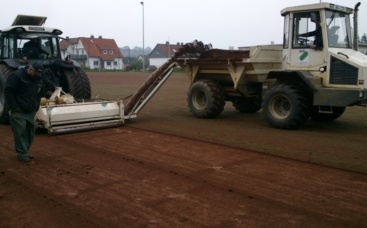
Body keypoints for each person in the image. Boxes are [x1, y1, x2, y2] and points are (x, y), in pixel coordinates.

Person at [4, 62, 44, 163]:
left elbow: (39, 94)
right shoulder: (16, 76)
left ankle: (24, 150)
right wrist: (14, 107)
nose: (37, 77)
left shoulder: (38, 79)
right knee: (20, 130)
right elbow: (8, 91)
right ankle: (22, 153)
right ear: (30, 69)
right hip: (19, 109)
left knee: (31, 131)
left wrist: (36, 105)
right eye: (35, 74)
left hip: (31, 109)